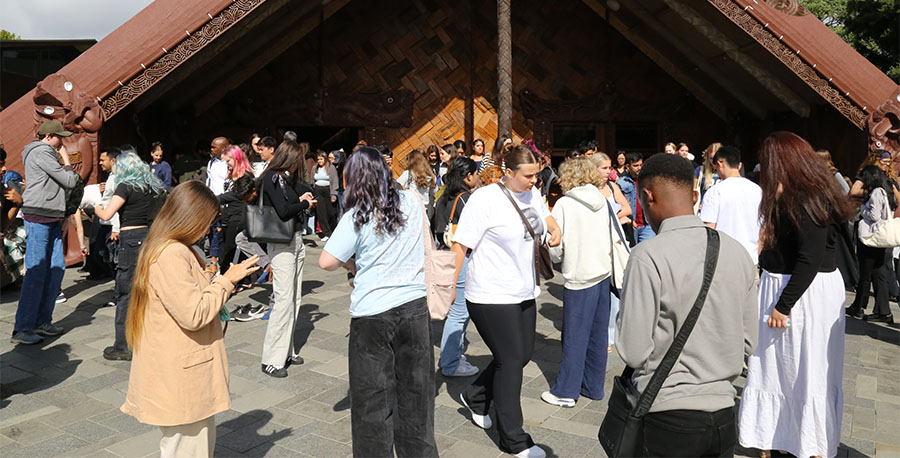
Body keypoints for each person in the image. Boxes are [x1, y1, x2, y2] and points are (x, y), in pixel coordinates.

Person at [617, 153, 758, 458]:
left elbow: (633, 349)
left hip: (667, 414)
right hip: (723, 414)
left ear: (646, 196)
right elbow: (750, 341)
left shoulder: (648, 255)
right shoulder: (737, 253)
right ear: (696, 196)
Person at [120, 180, 260, 458]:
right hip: (181, 373)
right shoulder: (170, 253)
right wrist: (226, 282)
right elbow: (193, 314)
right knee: (187, 448)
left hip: (181, 367)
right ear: (188, 217)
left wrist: (210, 277)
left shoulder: (176, 247)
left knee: (191, 444)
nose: (209, 229)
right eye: (206, 221)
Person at [738, 131, 856, 458]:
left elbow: (810, 257)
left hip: (804, 293)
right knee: (774, 368)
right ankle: (775, 437)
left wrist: (783, 305)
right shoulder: (792, 194)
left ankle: (810, 443)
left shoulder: (811, 197)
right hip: (785, 286)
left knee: (809, 369)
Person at [318, 146, 438, 457]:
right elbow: (428, 244)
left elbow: (327, 261)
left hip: (372, 314)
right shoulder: (411, 200)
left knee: (372, 401)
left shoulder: (357, 214)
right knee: (417, 397)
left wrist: (352, 264)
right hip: (414, 307)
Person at [451, 145, 562, 458]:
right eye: (527, 176)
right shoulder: (484, 199)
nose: (533, 181)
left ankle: (475, 395)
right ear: (507, 172)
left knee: (521, 355)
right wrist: (447, 288)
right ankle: (513, 440)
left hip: (523, 291)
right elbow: (461, 246)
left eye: (536, 175)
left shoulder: (532, 193)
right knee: (511, 361)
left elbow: (546, 216)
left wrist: (554, 229)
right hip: (489, 294)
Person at [541, 157, 619, 409]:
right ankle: (593, 387)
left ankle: (566, 391)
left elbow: (557, 246)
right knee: (597, 336)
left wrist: (552, 256)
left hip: (579, 276)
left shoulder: (564, 204)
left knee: (574, 336)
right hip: (603, 273)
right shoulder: (603, 200)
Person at [11, 121, 80, 345]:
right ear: (49, 136)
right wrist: (67, 160)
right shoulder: (42, 152)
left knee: (56, 268)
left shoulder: (41, 152)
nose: (63, 142)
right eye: (60, 137)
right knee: (37, 272)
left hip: (51, 215)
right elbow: (69, 181)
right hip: (40, 215)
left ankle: (41, 322)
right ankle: (23, 327)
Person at [95, 149, 166, 360]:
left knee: (125, 293)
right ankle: (146, 339)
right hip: (149, 237)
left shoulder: (126, 186)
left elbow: (107, 214)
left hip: (130, 239)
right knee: (146, 289)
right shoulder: (154, 188)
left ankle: (122, 345)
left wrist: (97, 207)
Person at [257, 140, 317, 377]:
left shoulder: (283, 179)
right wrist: (303, 202)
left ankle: (286, 350)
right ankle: (271, 359)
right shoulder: (271, 178)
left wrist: (304, 199)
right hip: (281, 244)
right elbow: (283, 211)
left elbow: (290, 203)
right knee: (283, 300)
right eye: (295, 159)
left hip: (295, 240)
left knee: (295, 298)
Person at [433, 157, 481, 377]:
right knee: (459, 312)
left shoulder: (443, 196)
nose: (478, 177)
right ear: (469, 176)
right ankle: (451, 363)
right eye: (476, 174)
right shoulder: (466, 199)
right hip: (459, 257)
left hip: (443, 253)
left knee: (455, 309)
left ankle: (454, 355)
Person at [590, 153, 632, 351]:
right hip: (597, 243)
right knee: (600, 288)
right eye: (604, 168)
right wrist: (615, 217)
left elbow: (627, 208)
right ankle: (600, 333)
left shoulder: (611, 186)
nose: (609, 172)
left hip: (615, 242)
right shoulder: (588, 189)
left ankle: (610, 334)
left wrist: (614, 216)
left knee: (616, 288)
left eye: (609, 168)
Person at [845, 165, 895, 323]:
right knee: (878, 274)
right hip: (879, 239)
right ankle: (883, 311)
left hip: (871, 237)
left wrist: (862, 209)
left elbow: (874, 215)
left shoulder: (875, 192)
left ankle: (859, 306)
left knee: (865, 274)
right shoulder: (884, 190)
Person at [699, 145, 762, 264]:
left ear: (720, 163)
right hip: (751, 260)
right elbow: (764, 229)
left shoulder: (715, 191)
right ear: (739, 165)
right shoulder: (757, 190)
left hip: (723, 261)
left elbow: (708, 231)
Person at [397, 149, 437, 221]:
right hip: (426, 210)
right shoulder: (431, 175)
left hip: (413, 210)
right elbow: (434, 192)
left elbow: (397, 186)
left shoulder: (408, 174)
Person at [616, 152, 643, 245]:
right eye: (636, 166)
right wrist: (628, 218)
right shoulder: (621, 183)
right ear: (628, 166)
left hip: (647, 224)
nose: (639, 168)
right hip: (631, 225)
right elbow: (618, 204)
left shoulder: (646, 180)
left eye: (640, 165)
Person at [312, 150, 339, 240]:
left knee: (331, 212)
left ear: (325, 159)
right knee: (321, 213)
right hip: (318, 190)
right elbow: (312, 180)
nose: (319, 161)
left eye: (321, 159)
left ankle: (332, 230)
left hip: (328, 190)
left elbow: (335, 181)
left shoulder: (331, 168)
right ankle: (326, 233)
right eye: (318, 159)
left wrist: (334, 194)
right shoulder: (314, 168)